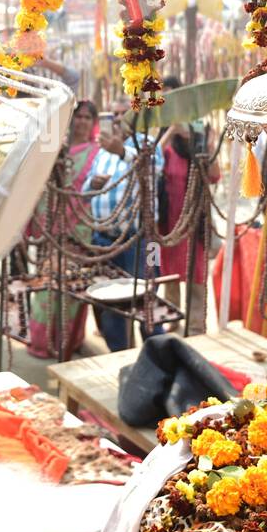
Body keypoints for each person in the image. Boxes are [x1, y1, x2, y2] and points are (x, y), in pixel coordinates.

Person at [81, 101, 164, 350]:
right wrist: (91, 185)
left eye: (122, 114)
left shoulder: (147, 144)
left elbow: (153, 169)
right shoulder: (102, 150)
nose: (117, 119)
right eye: (113, 115)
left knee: (147, 303)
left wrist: (122, 152)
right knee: (110, 305)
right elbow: (85, 191)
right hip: (104, 240)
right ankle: (119, 357)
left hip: (141, 241)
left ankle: (157, 359)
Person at [25, 100, 100, 358]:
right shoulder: (56, 146)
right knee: (47, 283)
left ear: (93, 123)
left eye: (87, 118)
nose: (81, 121)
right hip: (51, 223)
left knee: (75, 287)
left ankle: (70, 341)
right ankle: (41, 342)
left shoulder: (97, 152)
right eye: (78, 116)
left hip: (80, 228)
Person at [156, 77, 221, 334]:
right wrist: (171, 131)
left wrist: (207, 144)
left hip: (195, 222)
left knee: (196, 276)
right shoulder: (164, 136)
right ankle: (172, 319)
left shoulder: (201, 134)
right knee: (169, 275)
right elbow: (150, 165)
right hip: (168, 223)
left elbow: (215, 175)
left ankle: (196, 328)